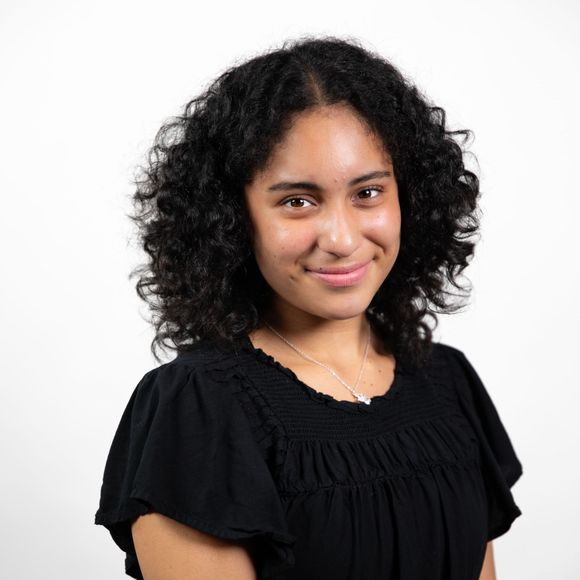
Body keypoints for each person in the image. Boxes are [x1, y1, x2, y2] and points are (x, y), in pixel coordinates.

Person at [94, 35, 523, 580]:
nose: (342, 238)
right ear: (231, 218)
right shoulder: (198, 408)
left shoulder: (448, 382)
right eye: (298, 201)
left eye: (368, 192)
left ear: (408, 196)